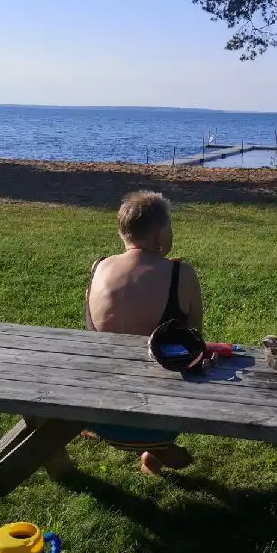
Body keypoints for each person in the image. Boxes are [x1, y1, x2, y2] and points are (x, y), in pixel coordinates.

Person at [85, 190, 203, 475]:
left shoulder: (99, 267)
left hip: (96, 411)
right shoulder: (180, 275)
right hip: (155, 421)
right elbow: (196, 341)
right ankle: (154, 450)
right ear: (159, 237)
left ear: (122, 234)